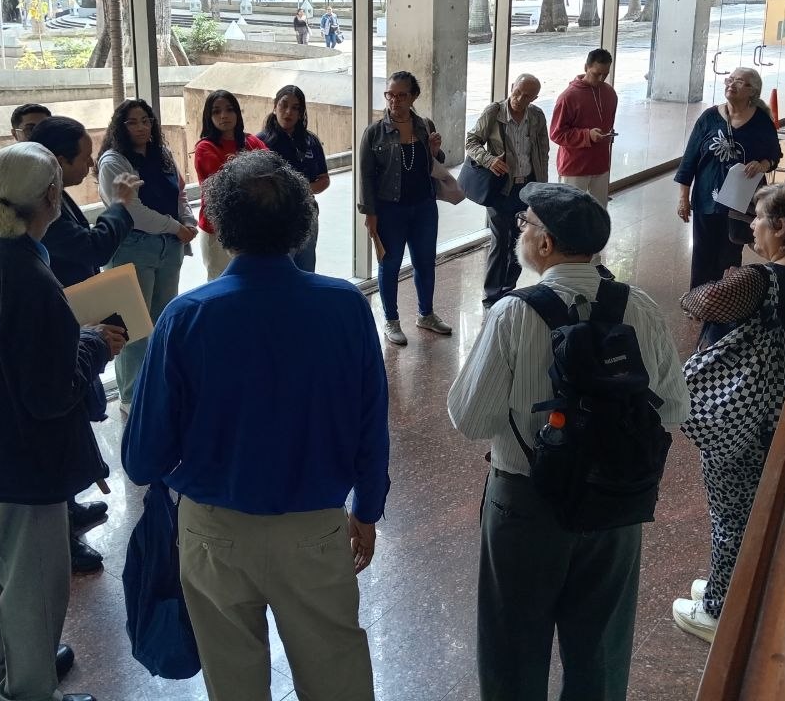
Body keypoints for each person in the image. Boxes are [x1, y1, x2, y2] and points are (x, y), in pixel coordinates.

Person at [122, 150, 389, 701]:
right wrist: (367, 510)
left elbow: (142, 457)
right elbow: (370, 423)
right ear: (303, 220)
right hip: (314, 528)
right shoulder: (345, 307)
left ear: (214, 223)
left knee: (234, 679)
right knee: (337, 673)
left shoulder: (186, 317)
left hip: (214, 531)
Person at [448, 182, 689, 700]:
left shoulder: (512, 313)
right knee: (600, 649)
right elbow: (674, 407)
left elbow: (470, 418)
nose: (520, 231)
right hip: (617, 500)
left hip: (525, 502)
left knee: (513, 647)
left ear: (545, 244)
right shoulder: (640, 308)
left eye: (524, 223)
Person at [0, 142, 127, 701]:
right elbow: (50, 395)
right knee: (34, 592)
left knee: (0, 582)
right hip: (18, 465)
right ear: (52, 195)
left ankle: (11, 677)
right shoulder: (28, 275)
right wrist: (93, 344)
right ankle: (32, 692)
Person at [670, 180, 785, 642]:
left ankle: (720, 609)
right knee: (765, 508)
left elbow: (695, 302)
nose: (752, 226)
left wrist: (731, 276)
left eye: (759, 218)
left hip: (748, 417)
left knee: (732, 514)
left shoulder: (759, 279)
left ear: (782, 227)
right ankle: (739, 585)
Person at [29, 115, 141, 573]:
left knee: (76, 421)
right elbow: (92, 247)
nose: (91, 162)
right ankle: (63, 538)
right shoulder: (37, 219)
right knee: (63, 431)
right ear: (56, 165)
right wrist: (121, 205)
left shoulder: (49, 203)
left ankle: (71, 510)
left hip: (77, 323)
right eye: (83, 156)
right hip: (65, 331)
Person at [97, 98, 197, 408]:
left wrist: (188, 222)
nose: (141, 127)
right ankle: (131, 398)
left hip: (169, 248)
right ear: (120, 127)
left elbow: (179, 192)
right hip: (133, 248)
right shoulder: (113, 161)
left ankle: (155, 388)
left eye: (146, 120)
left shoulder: (162, 154)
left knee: (161, 321)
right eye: (132, 122)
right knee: (133, 329)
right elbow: (132, 211)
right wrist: (175, 228)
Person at [358, 70, 453, 345]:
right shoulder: (374, 133)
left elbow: (434, 163)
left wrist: (435, 151)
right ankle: (391, 320)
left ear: (413, 97)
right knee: (390, 265)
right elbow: (365, 176)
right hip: (390, 210)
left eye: (401, 95)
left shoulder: (424, 125)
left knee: (425, 262)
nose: (394, 100)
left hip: (424, 206)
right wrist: (370, 214)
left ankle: (426, 314)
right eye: (390, 94)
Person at [675, 67, 783, 290]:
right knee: (702, 251)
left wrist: (762, 164)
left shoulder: (761, 121)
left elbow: (774, 154)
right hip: (707, 197)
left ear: (752, 92)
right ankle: (699, 299)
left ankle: (727, 300)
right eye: (730, 80)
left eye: (740, 82)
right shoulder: (709, 118)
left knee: (730, 252)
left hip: (740, 201)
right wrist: (683, 198)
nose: (731, 84)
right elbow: (690, 159)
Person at [465, 74, 548, 307]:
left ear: (534, 98)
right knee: (500, 240)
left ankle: (508, 288)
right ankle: (492, 296)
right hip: (501, 188)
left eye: (527, 96)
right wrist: (489, 159)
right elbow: (471, 141)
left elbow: (543, 152)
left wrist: (541, 187)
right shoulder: (494, 112)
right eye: (517, 92)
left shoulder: (537, 116)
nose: (519, 99)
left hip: (527, 187)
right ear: (512, 87)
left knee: (522, 239)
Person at [549, 49, 617, 269]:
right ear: (586, 67)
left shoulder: (610, 94)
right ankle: (566, 262)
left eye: (605, 74)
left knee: (598, 214)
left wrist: (605, 137)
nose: (600, 79)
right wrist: (588, 135)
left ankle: (595, 262)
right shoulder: (568, 97)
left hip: (600, 164)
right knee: (570, 214)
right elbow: (557, 134)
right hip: (574, 167)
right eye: (597, 73)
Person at [193, 90, 268, 280]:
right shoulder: (205, 147)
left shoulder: (251, 141)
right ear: (209, 117)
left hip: (251, 226)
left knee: (251, 281)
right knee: (220, 282)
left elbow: (273, 170)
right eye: (216, 111)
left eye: (229, 110)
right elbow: (225, 185)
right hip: (218, 229)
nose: (224, 115)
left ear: (237, 113)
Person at [257, 85, 330, 271]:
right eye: (284, 105)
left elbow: (324, 179)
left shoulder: (310, 141)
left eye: (295, 108)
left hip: (307, 214)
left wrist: (298, 188)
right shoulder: (260, 143)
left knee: (306, 270)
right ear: (274, 107)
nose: (288, 112)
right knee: (279, 271)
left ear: (301, 113)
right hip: (275, 219)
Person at [0, 102, 51, 209]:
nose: (40, 134)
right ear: (15, 134)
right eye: (30, 129)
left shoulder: (55, 168)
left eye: (45, 129)